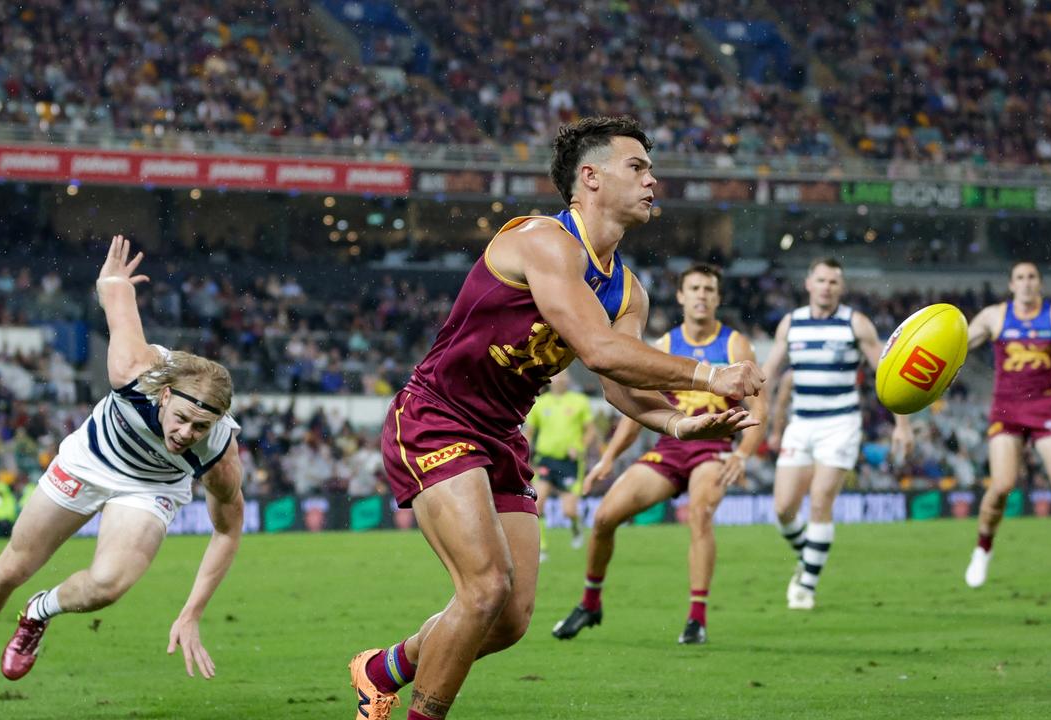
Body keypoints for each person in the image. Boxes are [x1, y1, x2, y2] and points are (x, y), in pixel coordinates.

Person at [348, 116, 764, 720]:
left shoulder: (629, 291)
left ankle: (383, 669)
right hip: (438, 417)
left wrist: (677, 424)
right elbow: (598, 349)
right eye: (638, 167)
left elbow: (619, 386)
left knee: (509, 620)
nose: (654, 181)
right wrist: (707, 375)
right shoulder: (542, 240)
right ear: (589, 178)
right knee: (485, 587)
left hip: (501, 437)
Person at [0, 237, 245, 720]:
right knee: (10, 570)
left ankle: (39, 611)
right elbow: (114, 296)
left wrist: (192, 611)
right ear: (165, 397)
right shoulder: (133, 370)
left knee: (108, 585)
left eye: (200, 427)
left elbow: (228, 530)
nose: (186, 433)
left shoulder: (219, 451)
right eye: (183, 418)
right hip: (91, 459)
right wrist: (112, 280)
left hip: (150, 487)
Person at [552, 264, 766, 645]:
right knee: (603, 517)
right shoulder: (665, 345)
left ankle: (696, 620)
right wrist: (608, 457)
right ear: (681, 296)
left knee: (699, 515)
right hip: (670, 447)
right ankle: (590, 603)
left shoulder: (735, 345)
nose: (701, 295)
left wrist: (742, 455)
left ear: (717, 298)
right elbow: (640, 407)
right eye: (694, 288)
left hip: (712, 449)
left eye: (709, 289)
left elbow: (759, 408)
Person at [762, 258, 912, 610]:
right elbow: (769, 372)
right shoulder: (791, 323)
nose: (827, 287)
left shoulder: (855, 323)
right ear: (808, 284)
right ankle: (812, 554)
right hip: (801, 423)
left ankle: (806, 588)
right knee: (783, 509)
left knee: (819, 501)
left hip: (840, 423)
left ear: (840, 288)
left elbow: (887, 375)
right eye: (821, 280)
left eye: (834, 282)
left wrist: (902, 424)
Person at [962, 261, 1051, 591]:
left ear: (1040, 284)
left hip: (1044, 406)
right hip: (1006, 409)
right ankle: (983, 548)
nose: (1026, 282)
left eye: (1032, 277)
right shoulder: (994, 316)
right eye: (1020, 277)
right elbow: (958, 347)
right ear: (1011, 284)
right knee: (1003, 485)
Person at [523, 369, 596, 558]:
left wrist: (579, 448)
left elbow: (590, 432)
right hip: (546, 460)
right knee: (537, 505)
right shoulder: (540, 403)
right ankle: (542, 548)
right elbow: (529, 433)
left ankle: (576, 527)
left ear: (569, 379)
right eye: (557, 375)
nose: (560, 379)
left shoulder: (579, 402)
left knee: (569, 510)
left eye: (564, 376)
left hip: (570, 462)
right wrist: (523, 453)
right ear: (549, 379)